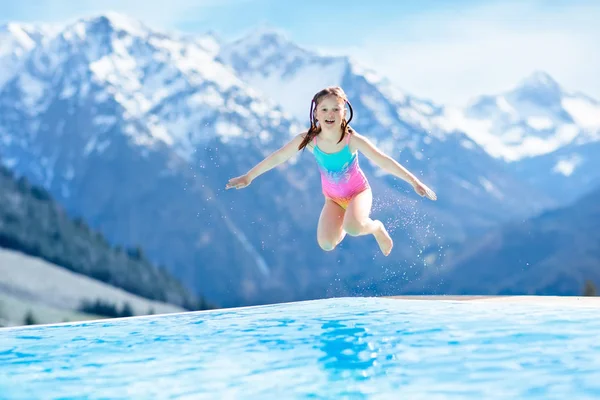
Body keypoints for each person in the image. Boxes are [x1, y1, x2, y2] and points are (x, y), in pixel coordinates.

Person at [226, 86, 437, 256]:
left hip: (359, 193)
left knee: (354, 228)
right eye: (324, 109)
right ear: (315, 113)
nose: (330, 114)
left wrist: (414, 182)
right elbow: (279, 156)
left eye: (336, 109)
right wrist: (249, 176)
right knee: (327, 244)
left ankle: (376, 228)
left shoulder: (351, 140)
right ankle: (349, 221)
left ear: (344, 112)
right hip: (333, 199)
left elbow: (383, 161)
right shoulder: (308, 140)